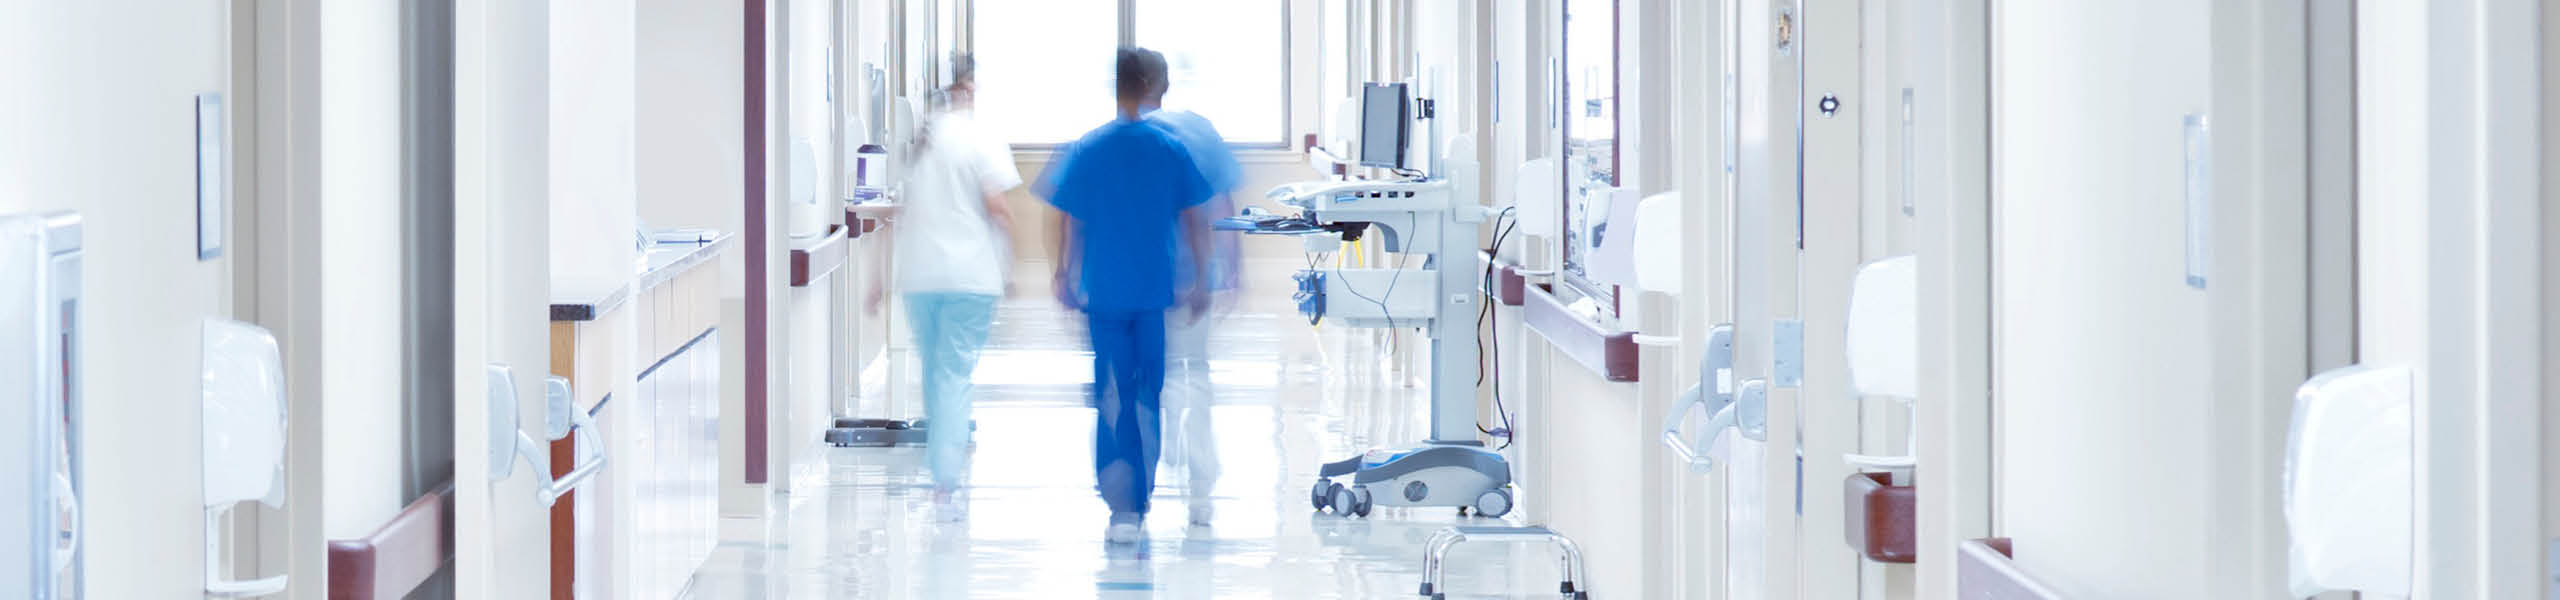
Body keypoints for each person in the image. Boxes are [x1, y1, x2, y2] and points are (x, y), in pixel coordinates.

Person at [1038, 47, 1215, 544]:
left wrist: (1062, 276)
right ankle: (1140, 495)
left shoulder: (1089, 148)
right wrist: (1202, 278)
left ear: (1116, 88)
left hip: (1105, 292)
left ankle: (1123, 508)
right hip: (1153, 292)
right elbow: (1196, 220)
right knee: (1146, 396)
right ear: (1155, 87)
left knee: (1111, 395)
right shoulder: (1169, 148)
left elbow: (1068, 218)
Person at [870, 53, 1021, 522]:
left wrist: (879, 282)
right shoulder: (981, 139)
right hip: (971, 278)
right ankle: (945, 480)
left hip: (920, 276)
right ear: (966, 91)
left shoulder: (920, 143)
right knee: (953, 375)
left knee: (937, 375)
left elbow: (898, 213)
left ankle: (941, 471)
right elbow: (997, 206)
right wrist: (1011, 266)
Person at [1137, 57, 1243, 529]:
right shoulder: (1199, 130)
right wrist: (1232, 267)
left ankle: (1155, 465)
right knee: (1195, 372)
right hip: (1198, 274)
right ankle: (1200, 486)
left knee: (1146, 375)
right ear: (1165, 86)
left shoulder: (1125, 138)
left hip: (1141, 275)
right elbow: (1222, 202)